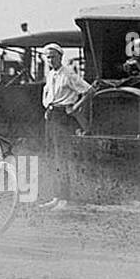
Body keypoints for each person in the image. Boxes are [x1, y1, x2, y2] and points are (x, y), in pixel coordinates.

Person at [37, 42, 90, 210]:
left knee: (62, 158)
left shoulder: (68, 74)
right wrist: (47, 108)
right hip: (51, 116)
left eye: (53, 57)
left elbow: (89, 91)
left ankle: (65, 199)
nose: (50, 60)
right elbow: (49, 95)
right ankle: (56, 196)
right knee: (52, 157)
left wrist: (76, 106)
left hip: (62, 117)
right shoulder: (51, 74)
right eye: (48, 57)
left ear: (61, 57)